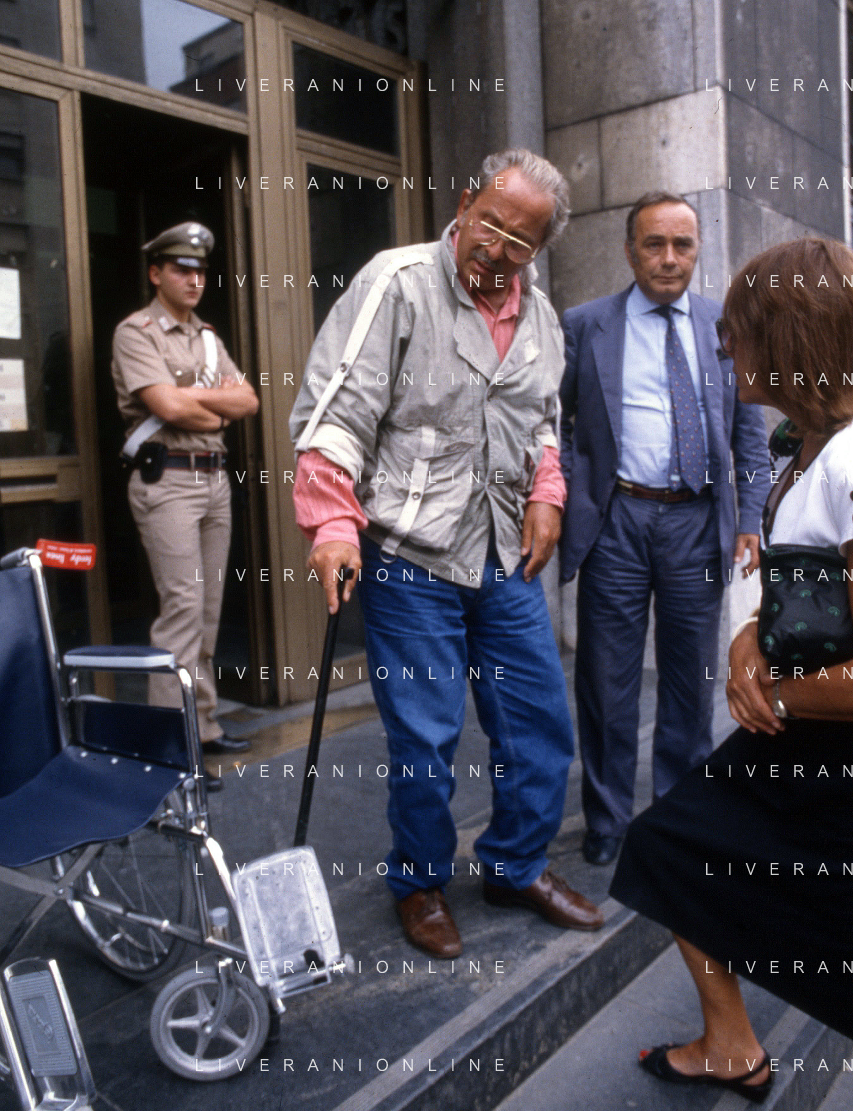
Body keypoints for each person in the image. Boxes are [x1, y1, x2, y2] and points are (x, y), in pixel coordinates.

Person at [290, 149, 604, 959]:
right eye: (488, 224)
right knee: (424, 739)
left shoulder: (541, 317)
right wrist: (331, 523)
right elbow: (338, 412)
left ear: (540, 250)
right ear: (464, 204)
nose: (494, 249)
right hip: (408, 554)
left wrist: (546, 493)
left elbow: (541, 422)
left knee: (539, 722)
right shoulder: (396, 282)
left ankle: (514, 864)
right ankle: (419, 880)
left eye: (518, 241)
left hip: (503, 554)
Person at [610, 236, 853, 1103]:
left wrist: (776, 689)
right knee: (670, 845)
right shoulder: (807, 443)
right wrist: (750, 634)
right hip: (794, 735)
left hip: (827, 747)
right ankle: (728, 1044)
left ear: (787, 337)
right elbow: (804, 581)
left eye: (736, 330)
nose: (723, 345)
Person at [559, 191, 769, 866]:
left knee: (689, 679)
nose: (669, 258)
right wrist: (570, 492)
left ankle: (678, 816)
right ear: (630, 251)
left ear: (697, 249)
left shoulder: (723, 325)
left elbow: (748, 429)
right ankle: (607, 820)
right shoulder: (585, 324)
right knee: (605, 679)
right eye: (654, 244)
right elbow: (553, 423)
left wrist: (751, 514)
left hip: (697, 521)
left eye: (682, 244)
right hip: (615, 521)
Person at [112, 221, 258, 766]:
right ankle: (171, 742)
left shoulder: (208, 338)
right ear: (156, 274)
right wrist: (212, 406)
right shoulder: (137, 332)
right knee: (182, 610)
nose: (195, 280)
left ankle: (205, 725)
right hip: (168, 480)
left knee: (208, 611)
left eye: (201, 271)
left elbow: (248, 401)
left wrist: (193, 401)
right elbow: (168, 408)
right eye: (182, 270)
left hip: (213, 479)